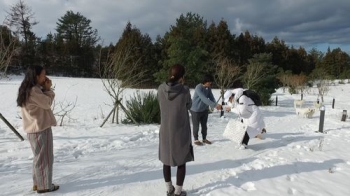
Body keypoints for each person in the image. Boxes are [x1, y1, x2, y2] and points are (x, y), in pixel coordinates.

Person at [16, 65, 59, 193]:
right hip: (40, 129)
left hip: (35, 129)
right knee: (45, 158)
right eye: (43, 75)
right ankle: (44, 186)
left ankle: (38, 184)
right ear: (36, 76)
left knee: (39, 158)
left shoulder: (28, 89)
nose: (45, 77)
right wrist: (48, 90)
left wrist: (44, 89)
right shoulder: (34, 90)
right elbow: (46, 103)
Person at [157, 64, 194, 196]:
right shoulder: (184, 90)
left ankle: (169, 189)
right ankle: (178, 192)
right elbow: (189, 105)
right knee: (181, 161)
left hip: (165, 129)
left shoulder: (161, 88)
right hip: (180, 130)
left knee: (166, 160)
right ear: (182, 76)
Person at [190, 74, 222, 146]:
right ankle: (196, 139)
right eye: (209, 82)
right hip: (195, 110)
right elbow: (204, 98)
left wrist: (216, 104)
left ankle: (204, 138)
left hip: (204, 110)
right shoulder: (198, 87)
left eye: (211, 82)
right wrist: (215, 105)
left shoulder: (208, 88)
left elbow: (211, 97)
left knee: (204, 125)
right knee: (196, 126)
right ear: (205, 81)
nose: (211, 83)